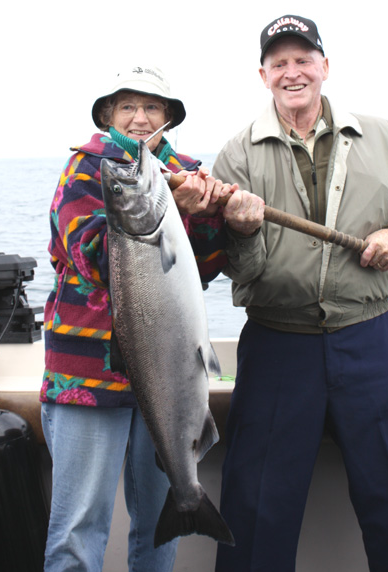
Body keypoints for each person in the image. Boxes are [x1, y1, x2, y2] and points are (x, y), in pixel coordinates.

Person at [213, 15, 388, 572]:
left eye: (303, 60)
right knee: (255, 515)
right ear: (263, 75)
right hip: (278, 347)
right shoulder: (236, 156)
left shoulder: (383, 136)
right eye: (279, 63)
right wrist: (245, 230)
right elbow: (235, 267)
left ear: (325, 67)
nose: (292, 72)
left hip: (369, 340)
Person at [40, 65, 248, 572]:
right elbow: (91, 255)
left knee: (158, 531)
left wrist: (223, 219)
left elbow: (203, 268)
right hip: (86, 377)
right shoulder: (88, 169)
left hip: (170, 373)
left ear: (169, 118)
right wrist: (166, 207)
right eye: (126, 106)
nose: (139, 118)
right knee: (77, 529)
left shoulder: (193, 175)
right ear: (108, 114)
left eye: (151, 107)